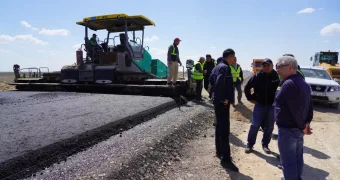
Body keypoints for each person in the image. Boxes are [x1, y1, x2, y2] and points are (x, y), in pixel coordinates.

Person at [274, 55, 313, 180]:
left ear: (290, 67)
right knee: (297, 159)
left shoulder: (289, 84)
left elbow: (295, 109)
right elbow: (309, 107)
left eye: (279, 67)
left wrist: (303, 126)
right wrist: (306, 124)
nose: (277, 70)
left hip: (288, 129)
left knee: (288, 161)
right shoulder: (303, 83)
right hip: (298, 129)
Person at [209, 49, 239, 172]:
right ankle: (226, 159)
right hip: (222, 103)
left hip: (218, 101)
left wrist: (213, 95)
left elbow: (211, 80)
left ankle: (219, 151)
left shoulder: (217, 67)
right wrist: (224, 99)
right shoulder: (225, 68)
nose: (234, 60)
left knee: (219, 128)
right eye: (234, 57)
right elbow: (220, 82)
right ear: (230, 57)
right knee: (224, 130)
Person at [244, 58, 280, 154]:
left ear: (272, 66)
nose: (266, 67)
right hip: (259, 105)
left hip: (272, 106)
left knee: (269, 127)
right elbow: (247, 87)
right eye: (264, 65)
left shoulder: (276, 76)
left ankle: (265, 145)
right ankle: (250, 144)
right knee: (255, 125)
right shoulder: (257, 75)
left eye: (268, 65)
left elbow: (281, 89)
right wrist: (250, 98)